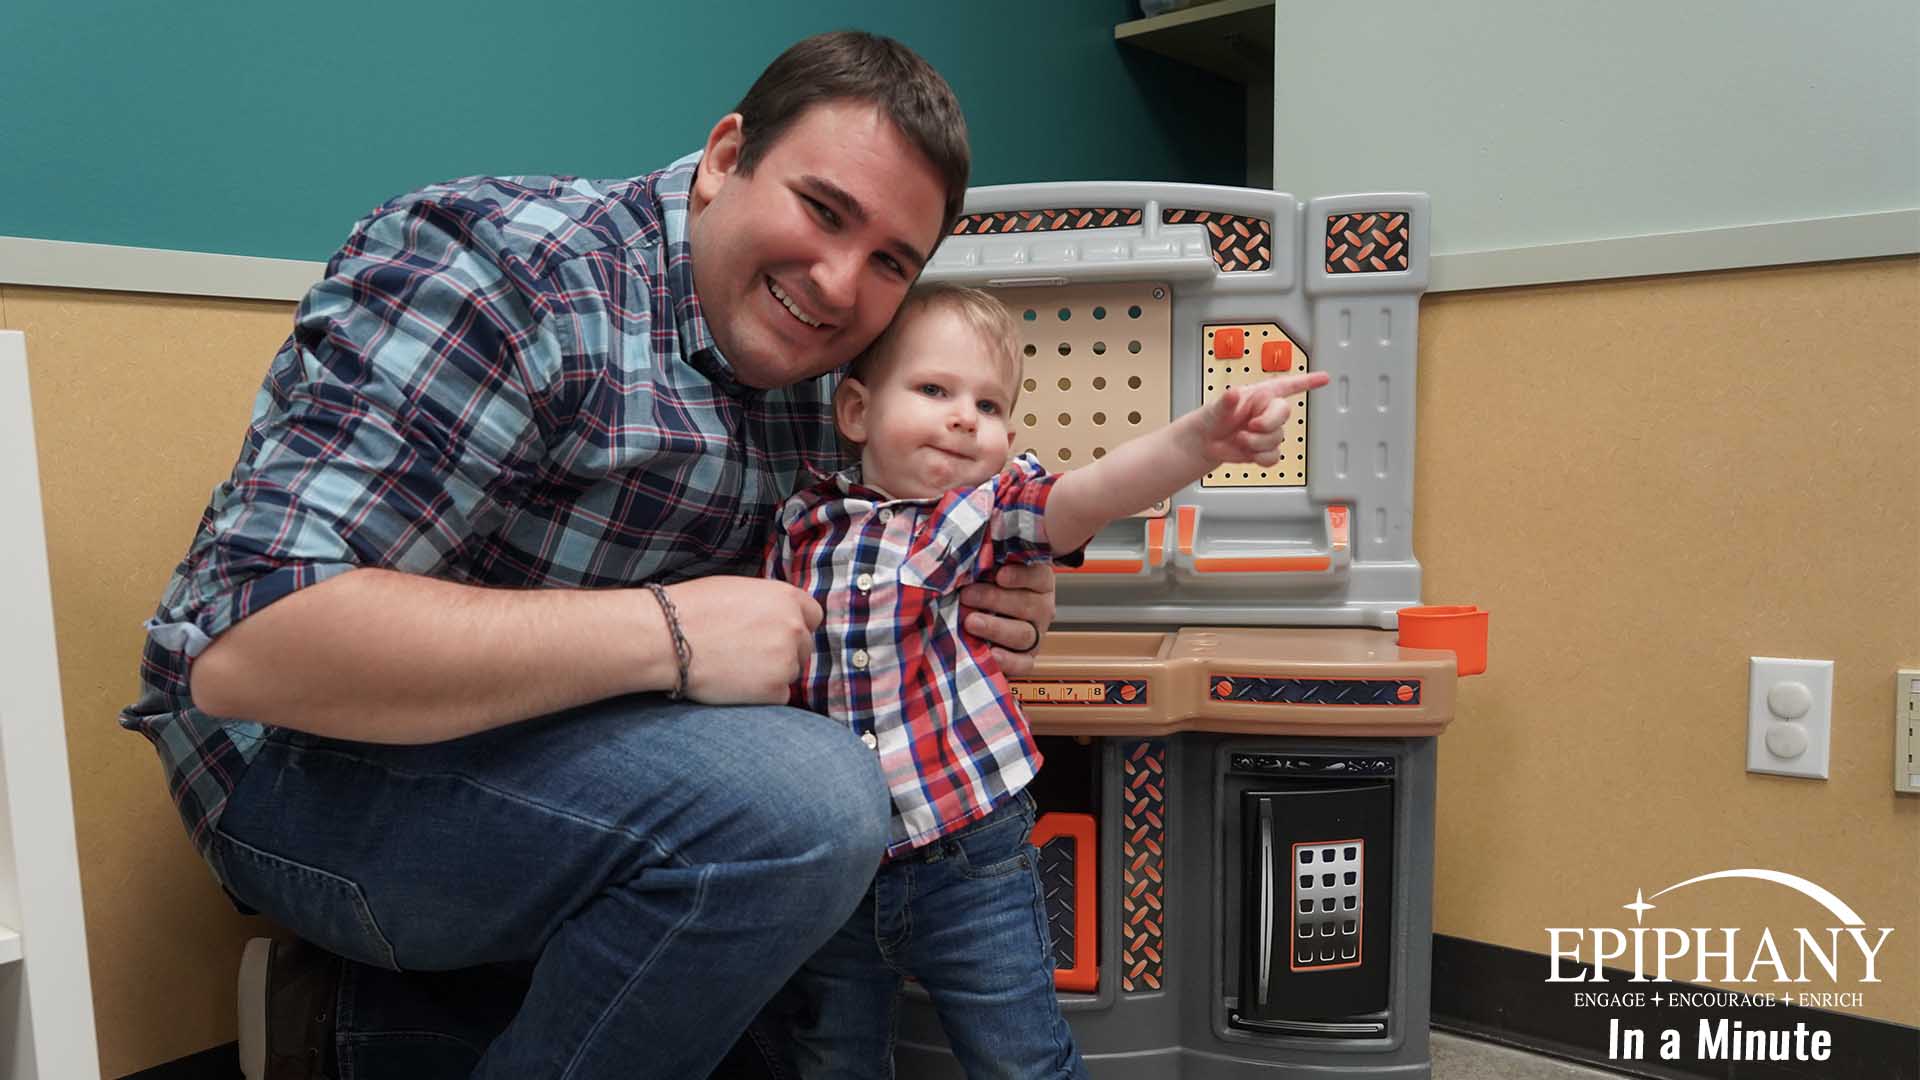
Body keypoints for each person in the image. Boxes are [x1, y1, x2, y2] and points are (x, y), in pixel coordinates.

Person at [119, 32, 1058, 1080]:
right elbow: (250, 649)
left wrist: (990, 588)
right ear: (725, 158)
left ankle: (385, 1022)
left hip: (584, 744)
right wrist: (670, 633)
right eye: (822, 209)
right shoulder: (503, 272)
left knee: (813, 916)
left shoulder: (832, 360)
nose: (840, 285)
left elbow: (892, 530)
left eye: (891, 261)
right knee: (810, 806)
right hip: (304, 760)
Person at [758, 285, 1330, 1078]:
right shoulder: (804, 526)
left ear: (1008, 438)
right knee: (831, 1057)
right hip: (839, 858)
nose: (965, 418)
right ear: (856, 411)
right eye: (934, 390)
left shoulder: (977, 514)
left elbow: (1089, 493)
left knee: (1020, 1053)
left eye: (988, 405)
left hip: (969, 850)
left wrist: (1201, 440)